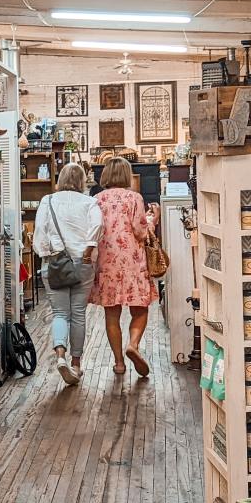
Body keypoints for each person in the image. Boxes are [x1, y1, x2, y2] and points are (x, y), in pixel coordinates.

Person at [33, 163, 102, 385]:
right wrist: (88, 248)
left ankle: (60, 356)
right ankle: (76, 364)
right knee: (79, 314)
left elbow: (40, 232)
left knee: (60, 313)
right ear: (82, 181)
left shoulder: (48, 201)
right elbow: (98, 225)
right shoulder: (90, 202)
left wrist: (46, 253)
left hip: (55, 262)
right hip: (82, 262)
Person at [90, 157, 158, 377]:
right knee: (140, 310)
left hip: (107, 262)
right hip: (132, 262)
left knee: (112, 315)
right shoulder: (134, 198)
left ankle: (119, 363)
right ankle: (133, 345)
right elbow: (140, 231)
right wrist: (153, 220)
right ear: (127, 175)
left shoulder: (96, 199)